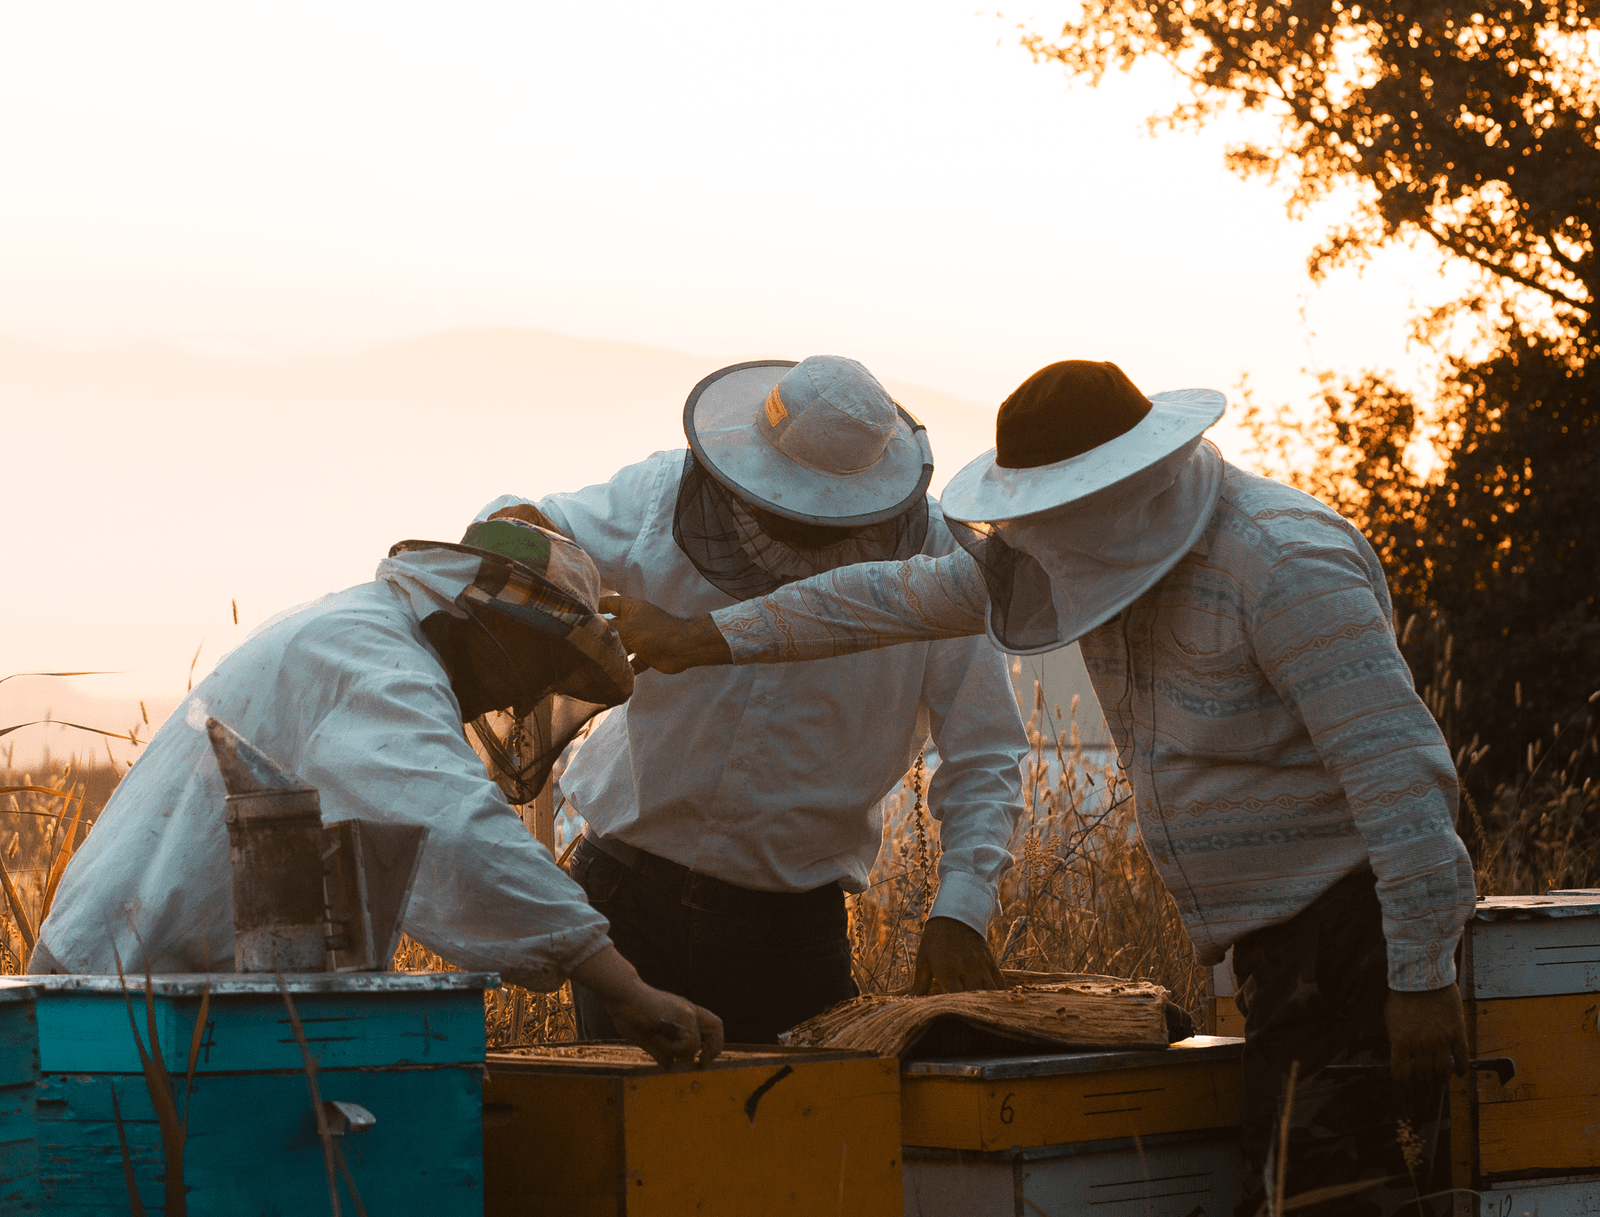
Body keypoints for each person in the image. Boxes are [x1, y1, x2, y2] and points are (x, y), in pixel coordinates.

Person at [608, 359, 1477, 1210]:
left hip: (1351, 934)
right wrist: (709, 637)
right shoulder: (1082, 550)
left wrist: (1421, 974)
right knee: (1305, 1186)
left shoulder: (1284, 565)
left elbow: (1399, 776)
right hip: (1283, 948)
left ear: (1120, 488)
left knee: (1323, 1194)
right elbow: (882, 598)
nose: (1035, 535)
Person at [34, 510, 723, 1068]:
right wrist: (623, 988)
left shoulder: (356, 629)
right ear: (493, 626)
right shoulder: (375, 665)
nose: (525, 693)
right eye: (540, 667)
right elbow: (454, 827)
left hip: (146, 983)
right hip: (128, 996)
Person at [485, 355, 1028, 1044]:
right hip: (626, 892)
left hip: (789, 932)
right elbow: (532, 526)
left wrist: (961, 910)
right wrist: (525, 545)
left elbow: (985, 752)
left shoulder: (941, 566)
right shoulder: (662, 494)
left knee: (793, 1143)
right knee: (633, 1139)